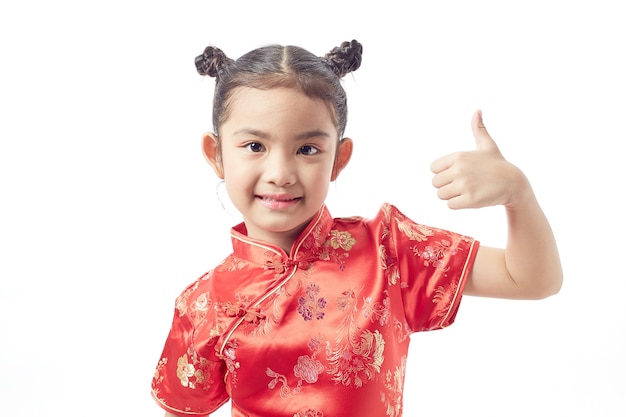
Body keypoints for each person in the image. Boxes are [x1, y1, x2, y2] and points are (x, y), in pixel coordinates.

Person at [151, 40, 562, 417]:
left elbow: (530, 280)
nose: (280, 173)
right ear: (216, 154)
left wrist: (518, 196)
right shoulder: (203, 304)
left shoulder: (388, 252)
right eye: (254, 146)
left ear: (339, 158)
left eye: (307, 149)